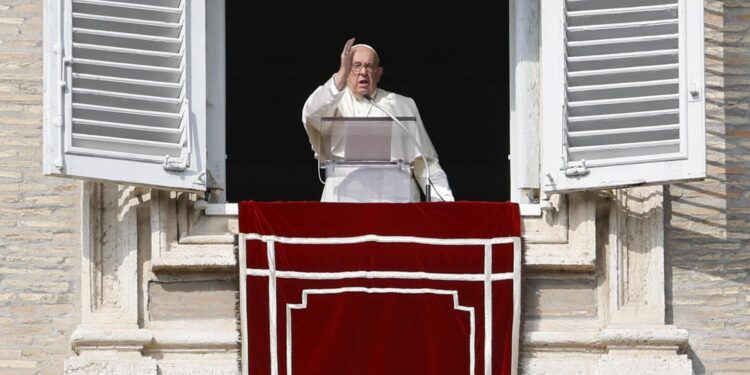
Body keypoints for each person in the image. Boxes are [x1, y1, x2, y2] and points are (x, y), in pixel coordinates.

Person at [302, 38, 455, 202]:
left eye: (369, 66)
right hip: (345, 205)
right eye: (356, 66)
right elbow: (311, 114)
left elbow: (425, 163)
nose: (362, 72)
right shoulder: (331, 102)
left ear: (379, 72)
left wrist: (444, 204)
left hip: (396, 205)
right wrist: (341, 74)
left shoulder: (402, 104)